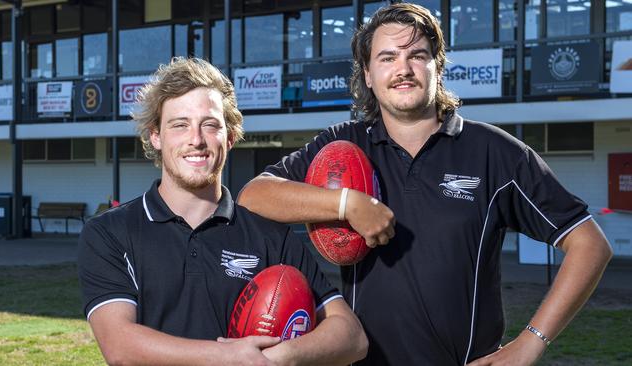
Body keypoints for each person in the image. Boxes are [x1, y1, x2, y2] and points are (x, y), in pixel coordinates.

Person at [237, 3, 612, 366]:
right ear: (367, 74)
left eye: (417, 55)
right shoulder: (343, 145)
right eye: (387, 58)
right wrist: (346, 204)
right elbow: (254, 196)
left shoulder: (494, 152)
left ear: (438, 65)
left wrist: (532, 342)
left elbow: (590, 244)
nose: (403, 69)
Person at [77, 57, 368, 366]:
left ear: (230, 137)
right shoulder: (109, 233)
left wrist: (277, 358)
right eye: (180, 125)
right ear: (156, 136)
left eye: (210, 125)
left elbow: (352, 336)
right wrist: (228, 357)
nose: (196, 140)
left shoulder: (271, 235)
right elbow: (121, 348)